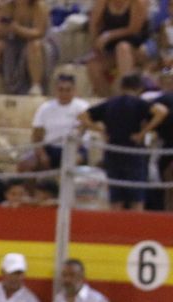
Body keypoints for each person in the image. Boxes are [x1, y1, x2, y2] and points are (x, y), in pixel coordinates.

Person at [82, 73, 165, 209]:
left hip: (112, 151)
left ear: (121, 87)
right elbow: (161, 111)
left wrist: (100, 130)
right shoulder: (138, 103)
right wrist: (142, 133)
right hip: (134, 152)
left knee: (116, 197)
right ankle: (136, 227)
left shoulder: (110, 103)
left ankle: (114, 228)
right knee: (137, 198)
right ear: (139, 88)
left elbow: (83, 116)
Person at [0, 0, 55, 95]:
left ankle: (36, 85)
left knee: (33, 45)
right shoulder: (8, 7)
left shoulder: (38, 6)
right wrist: (5, 27)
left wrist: (17, 29)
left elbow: (39, 32)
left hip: (40, 43)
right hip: (14, 42)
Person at [86, 0, 149, 95]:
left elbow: (134, 28)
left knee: (122, 49)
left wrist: (109, 35)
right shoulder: (103, 2)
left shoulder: (137, 2)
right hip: (111, 49)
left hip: (136, 47)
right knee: (93, 66)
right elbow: (94, 24)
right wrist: (95, 45)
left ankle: (127, 94)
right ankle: (107, 100)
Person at [30, 70, 89, 168]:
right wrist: (42, 155)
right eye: (61, 90)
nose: (64, 93)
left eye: (68, 90)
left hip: (74, 148)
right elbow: (36, 136)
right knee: (26, 165)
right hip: (51, 148)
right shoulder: (45, 108)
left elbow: (81, 133)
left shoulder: (82, 107)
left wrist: (71, 153)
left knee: (74, 160)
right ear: (56, 90)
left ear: (74, 90)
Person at [49, 257, 115, 302]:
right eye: (64, 275)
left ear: (82, 277)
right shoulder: (58, 301)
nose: (67, 279)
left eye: (72, 275)